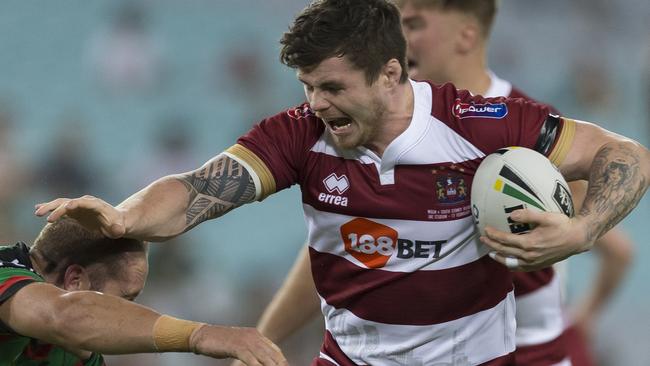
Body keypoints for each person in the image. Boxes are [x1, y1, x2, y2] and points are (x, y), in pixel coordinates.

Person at [35, 0, 649, 364]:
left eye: (332, 87)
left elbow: (624, 155)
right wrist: (124, 218)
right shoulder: (300, 135)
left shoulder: (477, 124)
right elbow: (197, 190)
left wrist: (583, 229)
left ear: (389, 74)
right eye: (307, 87)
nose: (316, 103)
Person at [236, 1, 636, 365]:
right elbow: (350, 247)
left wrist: (582, 260)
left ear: (466, 34)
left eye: (413, 23)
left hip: (527, 352)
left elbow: (608, 239)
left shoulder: (527, 130)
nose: (400, 39)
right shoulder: (373, 131)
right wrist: (263, 340)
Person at [0, 218, 287, 365]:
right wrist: (199, 335)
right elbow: (66, 314)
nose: (129, 313)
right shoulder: (4, 274)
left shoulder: (76, 352)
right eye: (126, 298)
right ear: (75, 281)